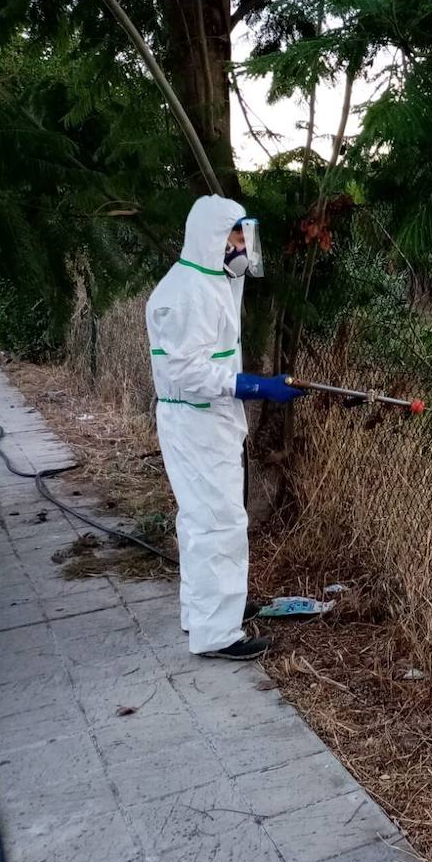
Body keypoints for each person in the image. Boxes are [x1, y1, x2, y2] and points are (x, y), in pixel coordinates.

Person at [145, 195, 306, 660]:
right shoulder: (187, 293)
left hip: (203, 421)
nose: (243, 245)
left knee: (201, 519)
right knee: (219, 522)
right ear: (213, 236)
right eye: (237, 235)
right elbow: (187, 372)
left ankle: (209, 611)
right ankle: (218, 632)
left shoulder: (209, 282)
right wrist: (253, 386)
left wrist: (248, 387)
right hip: (195, 422)